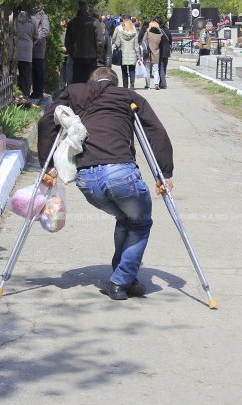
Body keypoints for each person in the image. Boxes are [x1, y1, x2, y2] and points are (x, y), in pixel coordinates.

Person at [37, 67, 174, 300]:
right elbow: (155, 131)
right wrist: (164, 173)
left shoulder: (74, 91)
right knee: (140, 224)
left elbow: (47, 123)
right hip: (122, 175)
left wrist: (47, 165)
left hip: (87, 181)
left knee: (126, 218)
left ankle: (125, 276)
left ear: (91, 81)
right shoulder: (128, 95)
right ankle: (120, 282)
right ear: (114, 82)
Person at [64, 0, 104, 84]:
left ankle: (79, 97)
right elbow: (100, 41)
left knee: (78, 83)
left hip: (77, 57)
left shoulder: (72, 23)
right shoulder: (94, 22)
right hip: (91, 57)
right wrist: (97, 54)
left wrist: (72, 54)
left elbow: (68, 42)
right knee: (91, 82)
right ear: (87, 9)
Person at [16, 11, 38, 97]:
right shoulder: (32, 20)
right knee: (26, 76)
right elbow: (36, 36)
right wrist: (31, 44)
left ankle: (13, 97)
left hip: (13, 50)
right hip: (27, 51)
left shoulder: (11, 18)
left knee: (12, 76)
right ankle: (26, 98)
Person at [31, 5, 50, 99]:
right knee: (32, 69)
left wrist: (36, 39)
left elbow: (45, 30)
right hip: (29, 46)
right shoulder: (28, 13)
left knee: (38, 68)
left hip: (38, 46)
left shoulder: (42, 15)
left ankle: (39, 91)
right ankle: (34, 90)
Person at [114, 18, 139, 89]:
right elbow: (136, 46)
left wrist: (115, 48)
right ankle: (132, 82)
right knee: (132, 70)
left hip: (123, 55)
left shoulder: (121, 34)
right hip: (132, 54)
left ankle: (125, 86)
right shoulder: (135, 34)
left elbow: (117, 44)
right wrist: (138, 55)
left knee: (124, 72)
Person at [142, 21, 162, 90]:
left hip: (147, 53)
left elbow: (143, 42)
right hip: (156, 53)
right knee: (156, 70)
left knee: (147, 70)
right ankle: (156, 84)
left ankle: (148, 85)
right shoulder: (159, 35)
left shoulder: (147, 34)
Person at [155, 16, 171, 89]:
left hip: (161, 50)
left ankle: (163, 83)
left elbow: (157, 41)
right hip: (167, 50)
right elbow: (170, 40)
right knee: (164, 66)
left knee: (160, 66)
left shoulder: (159, 31)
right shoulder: (167, 30)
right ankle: (162, 82)